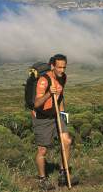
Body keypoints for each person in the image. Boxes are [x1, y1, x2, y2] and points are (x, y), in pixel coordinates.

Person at [33, 54, 77, 190]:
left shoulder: (63, 77)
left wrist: (64, 118)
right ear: (52, 66)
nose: (62, 70)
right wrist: (48, 94)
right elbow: (36, 104)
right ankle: (42, 179)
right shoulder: (44, 80)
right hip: (42, 117)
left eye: (64, 67)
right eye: (59, 67)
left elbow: (60, 98)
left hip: (57, 114)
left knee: (67, 141)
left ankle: (63, 174)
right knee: (42, 150)